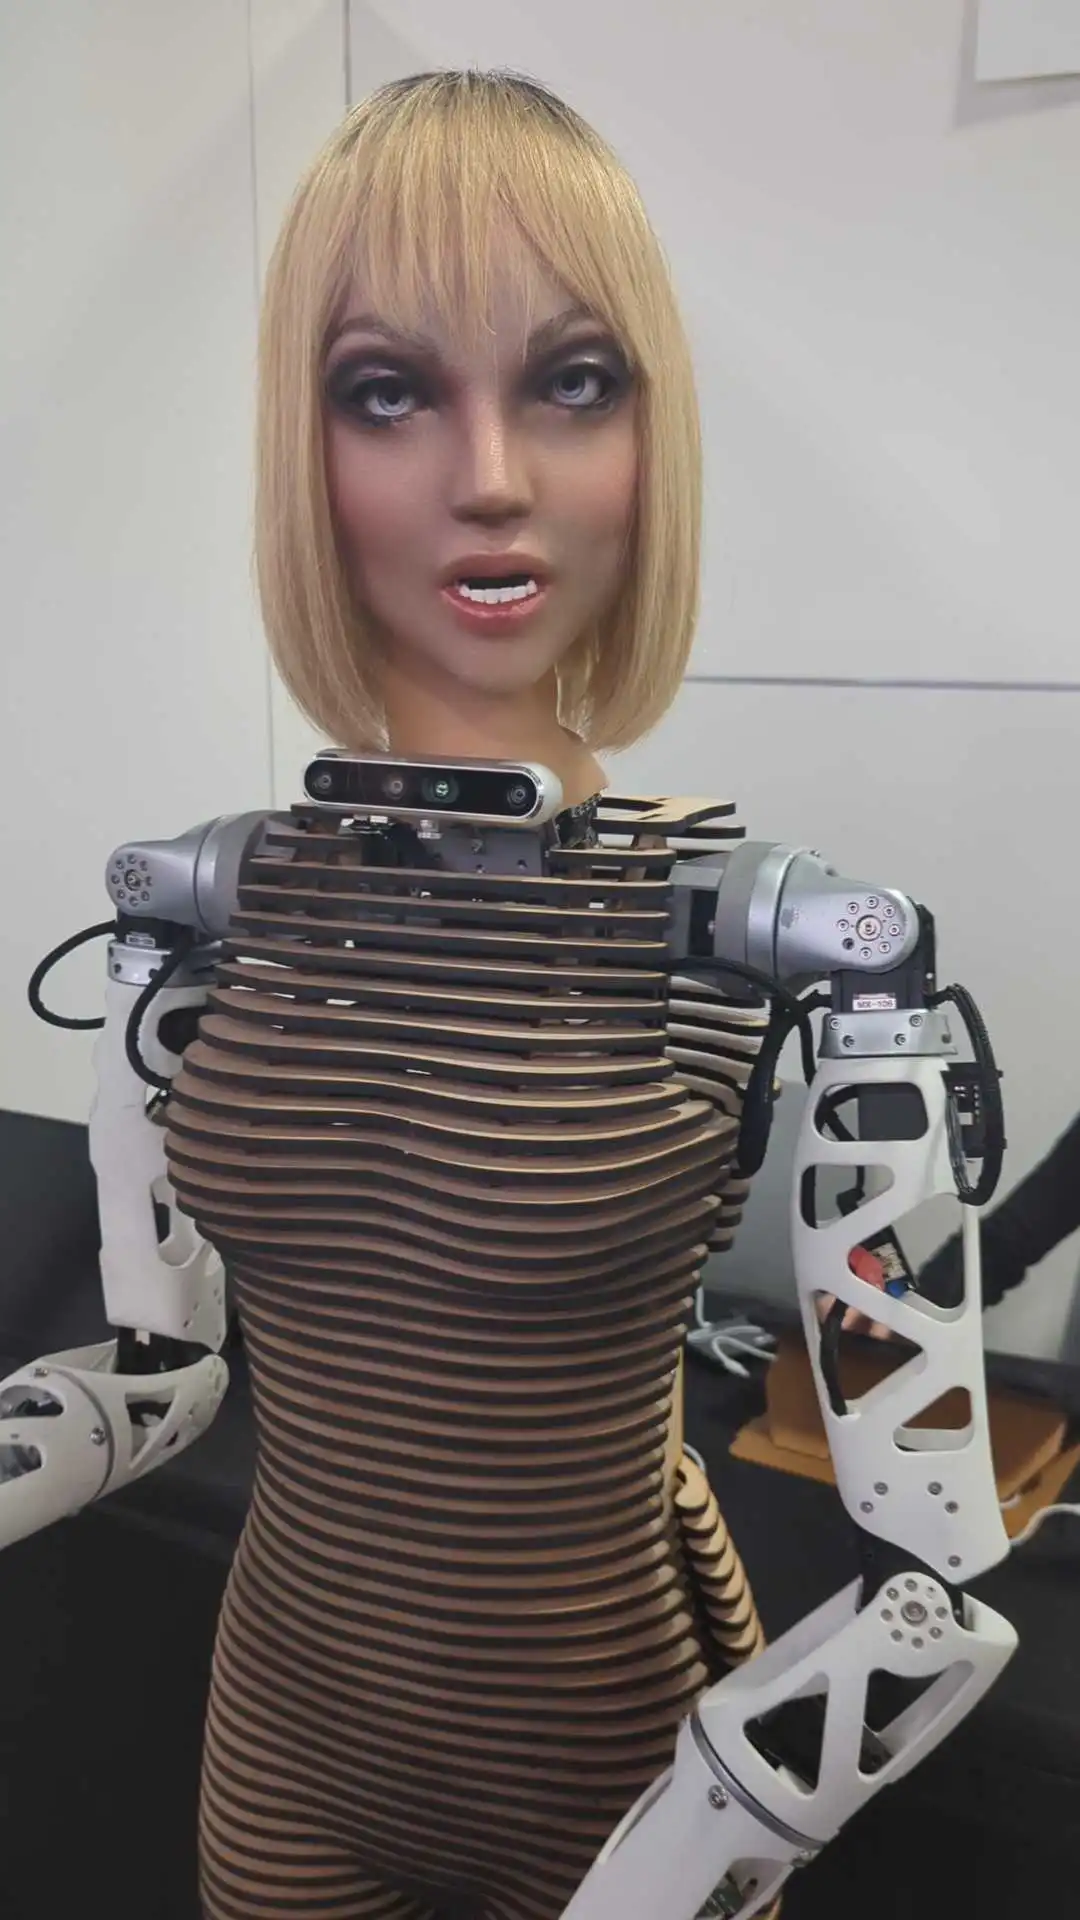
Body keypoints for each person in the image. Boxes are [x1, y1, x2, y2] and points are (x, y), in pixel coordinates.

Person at [167, 69, 773, 1920]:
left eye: (573, 382)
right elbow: (156, 1331)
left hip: (614, 1760)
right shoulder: (233, 899)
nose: (491, 475)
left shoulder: (733, 924)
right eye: (387, 391)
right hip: (287, 1725)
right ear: (306, 442)